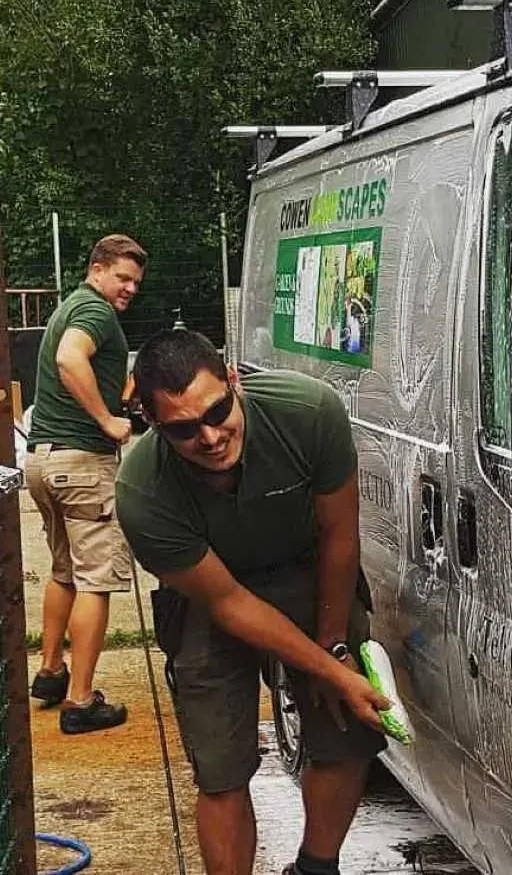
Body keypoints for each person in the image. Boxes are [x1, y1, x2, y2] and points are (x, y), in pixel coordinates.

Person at [115, 329, 390, 875]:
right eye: (184, 429)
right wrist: (326, 669)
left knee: (344, 732)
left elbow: (340, 534)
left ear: (233, 380)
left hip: (308, 571)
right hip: (211, 597)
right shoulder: (143, 491)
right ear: (151, 422)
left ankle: (315, 867)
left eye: (217, 411)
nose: (211, 436)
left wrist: (332, 648)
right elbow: (228, 602)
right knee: (221, 768)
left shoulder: (308, 412)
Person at [25, 233, 147, 734]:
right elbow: (70, 360)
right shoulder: (95, 313)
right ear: (97, 269)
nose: (130, 288)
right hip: (81, 462)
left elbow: (82, 371)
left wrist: (126, 391)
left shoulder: (70, 306)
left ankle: (52, 672)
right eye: (122, 277)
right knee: (96, 579)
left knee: (64, 572)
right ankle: (80, 701)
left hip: (43, 460)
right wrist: (107, 421)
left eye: (136, 282)